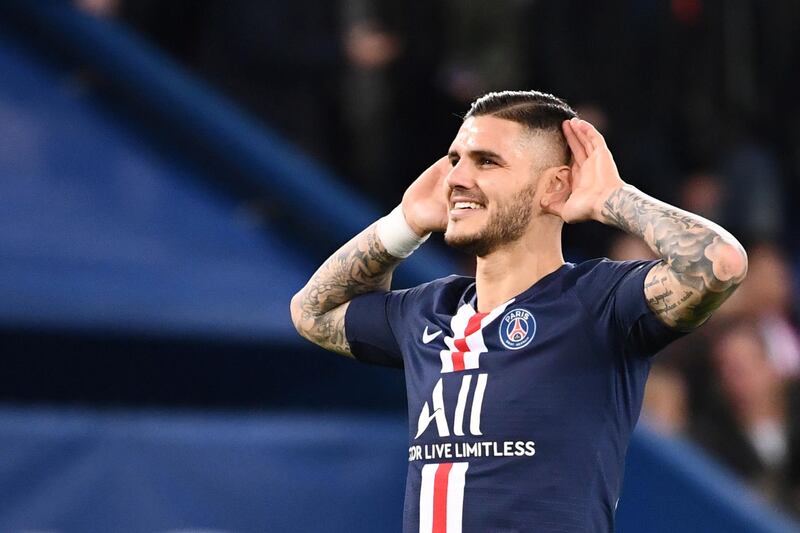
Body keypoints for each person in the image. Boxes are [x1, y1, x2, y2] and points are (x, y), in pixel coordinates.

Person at [290, 91, 748, 532]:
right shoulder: (428, 311)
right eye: (455, 160)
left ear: (554, 187)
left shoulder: (597, 301)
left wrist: (614, 198)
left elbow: (718, 265)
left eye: (486, 161)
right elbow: (311, 314)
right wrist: (402, 225)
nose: (456, 178)